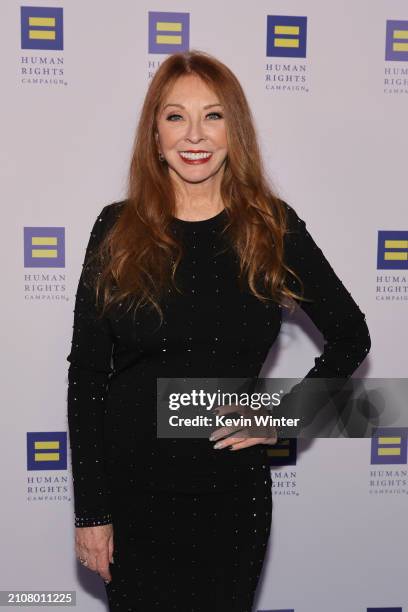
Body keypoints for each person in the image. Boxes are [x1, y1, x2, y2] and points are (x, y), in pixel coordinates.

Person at [66, 50, 371, 611]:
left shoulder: (270, 227)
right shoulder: (117, 228)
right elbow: (87, 377)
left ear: (236, 129)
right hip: (134, 498)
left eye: (213, 115)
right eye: (175, 116)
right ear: (154, 134)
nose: (194, 134)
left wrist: (283, 416)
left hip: (231, 499)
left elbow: (352, 335)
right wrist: (91, 513)